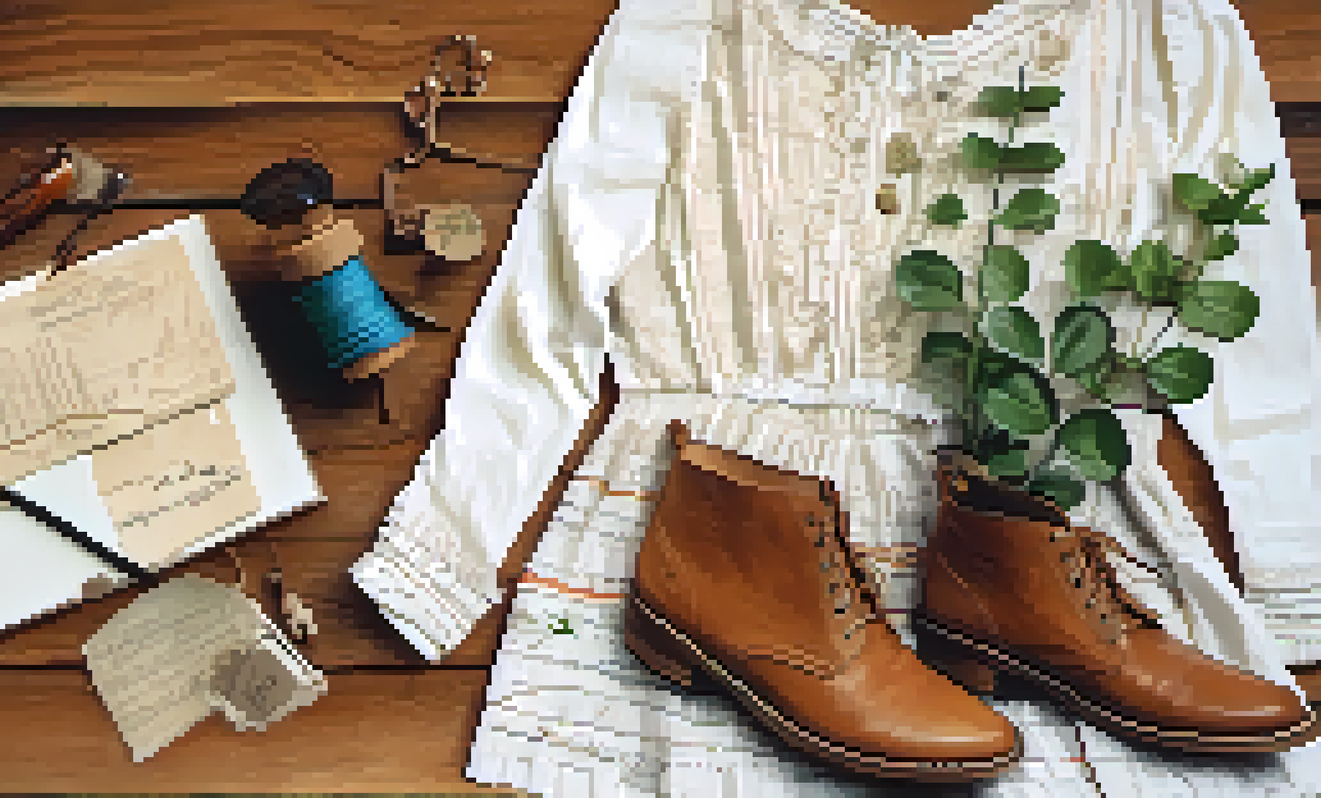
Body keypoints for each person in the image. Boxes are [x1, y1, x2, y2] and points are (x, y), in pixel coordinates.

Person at [348, 0, 1321, 794]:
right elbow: (556, 292)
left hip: (1043, 504)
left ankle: (995, 596)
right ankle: (722, 602)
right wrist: (446, 551)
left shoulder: (1169, 32)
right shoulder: (686, 22)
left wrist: (1297, 568)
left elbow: (1257, 315)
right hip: (723, 510)